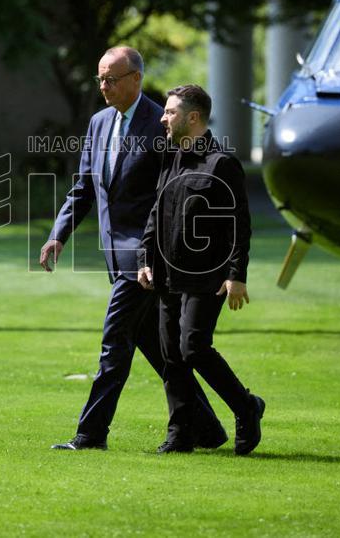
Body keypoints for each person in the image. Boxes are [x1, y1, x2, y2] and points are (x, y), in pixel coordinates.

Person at [41, 47, 227, 451]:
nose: (103, 86)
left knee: (114, 343)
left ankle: (91, 435)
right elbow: (84, 187)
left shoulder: (164, 123)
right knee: (159, 351)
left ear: (136, 79)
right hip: (115, 255)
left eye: (111, 79)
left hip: (149, 259)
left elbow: (172, 193)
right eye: (100, 79)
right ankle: (211, 428)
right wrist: (59, 233)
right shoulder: (98, 123)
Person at [137, 84, 265, 455]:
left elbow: (239, 224)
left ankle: (246, 407)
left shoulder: (222, 163)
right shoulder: (170, 157)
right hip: (166, 275)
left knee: (192, 347)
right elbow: (156, 214)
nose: (163, 118)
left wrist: (237, 276)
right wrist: (145, 260)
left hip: (208, 277)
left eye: (170, 112)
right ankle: (181, 434)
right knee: (171, 357)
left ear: (193, 118)